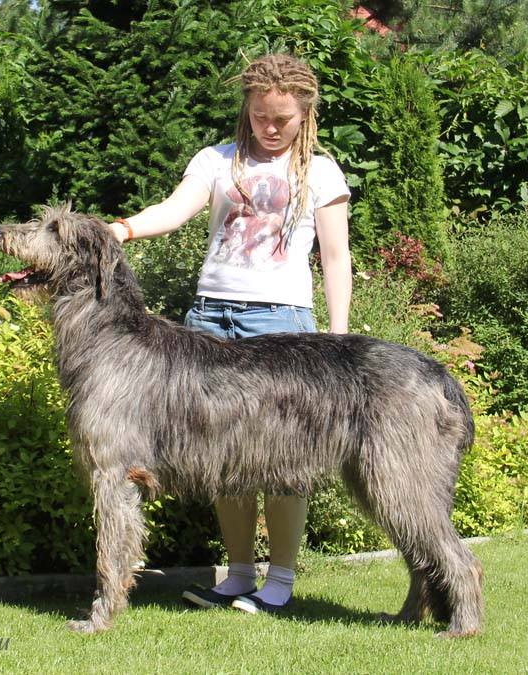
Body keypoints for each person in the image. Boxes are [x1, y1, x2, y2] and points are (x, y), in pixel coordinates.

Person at [108, 53, 352, 614]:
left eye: (283, 119)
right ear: (247, 108)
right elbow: (174, 210)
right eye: (261, 115)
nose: (271, 127)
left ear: (305, 114)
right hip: (211, 323)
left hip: (283, 325)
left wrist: (337, 342)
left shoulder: (321, 172)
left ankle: (281, 580)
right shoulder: (217, 161)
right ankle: (239, 574)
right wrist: (121, 229)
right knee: (224, 456)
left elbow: (336, 259)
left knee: (286, 459)